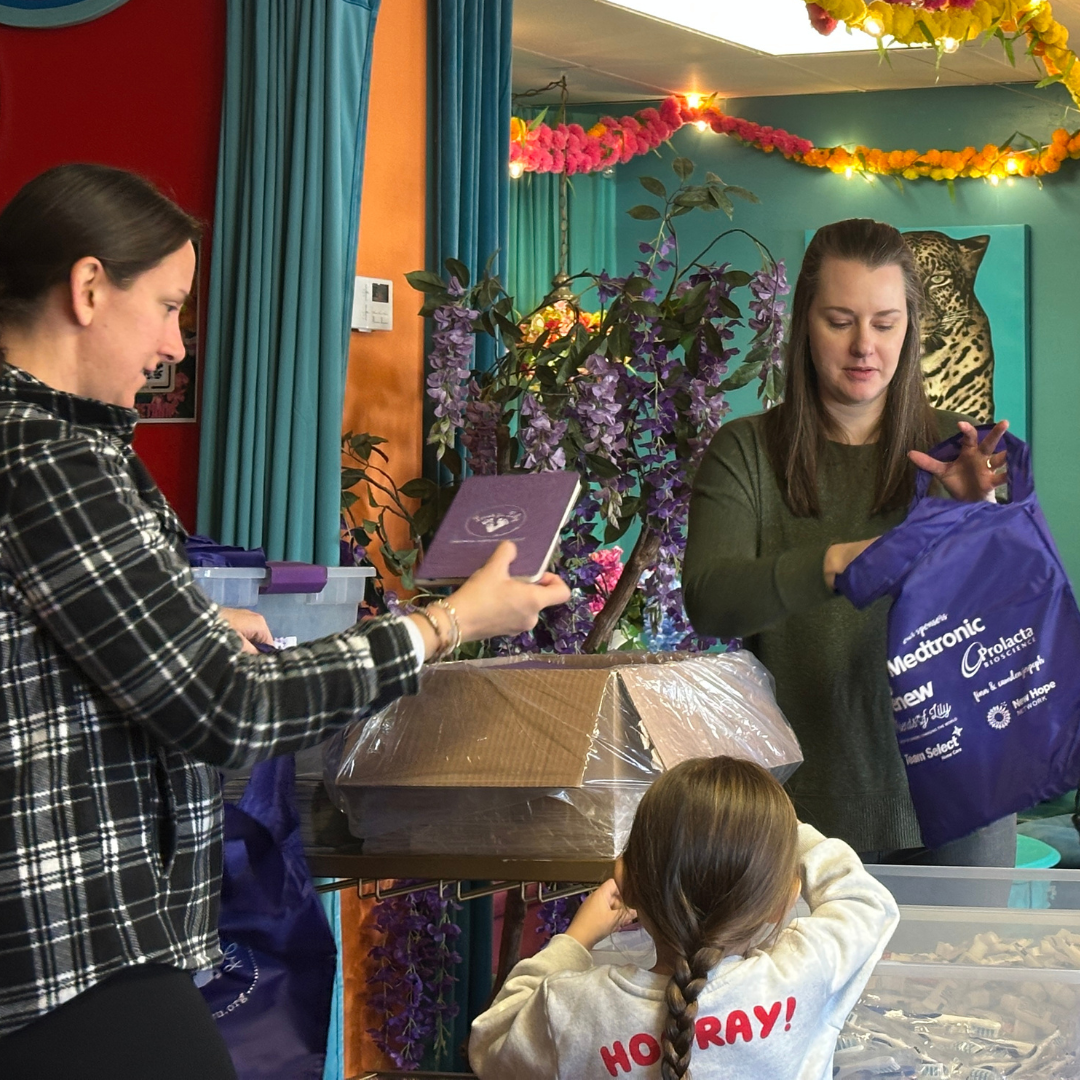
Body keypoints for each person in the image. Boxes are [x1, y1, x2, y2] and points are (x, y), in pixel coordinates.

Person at [0, 163, 570, 1078]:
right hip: (75, 943)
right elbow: (227, 709)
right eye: (169, 307)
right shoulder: (54, 462)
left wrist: (193, 622)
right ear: (89, 287)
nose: (178, 348)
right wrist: (447, 623)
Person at [682, 218, 1014, 866]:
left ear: (910, 329)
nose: (865, 346)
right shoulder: (745, 453)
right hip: (800, 822)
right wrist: (833, 564)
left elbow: (1007, 630)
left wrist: (984, 517)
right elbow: (710, 599)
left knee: (952, 972)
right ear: (804, 321)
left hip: (959, 807)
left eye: (886, 323)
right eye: (840, 320)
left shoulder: (961, 449)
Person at [469, 755, 899, 1080]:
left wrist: (575, 941)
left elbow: (491, 1042)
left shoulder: (568, 1012)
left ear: (626, 880)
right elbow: (864, 902)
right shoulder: (803, 975)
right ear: (782, 898)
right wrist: (782, 830)